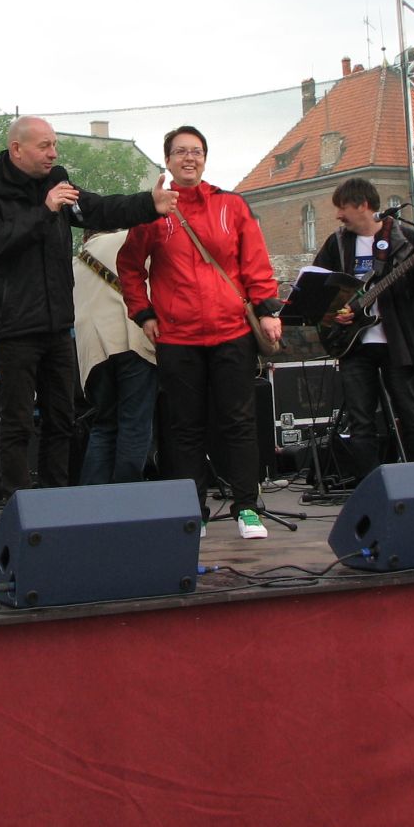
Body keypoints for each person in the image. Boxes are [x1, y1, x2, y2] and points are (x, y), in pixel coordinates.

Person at [0, 115, 176, 499]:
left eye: (55, 145)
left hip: (58, 324)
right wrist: (44, 211)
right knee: (17, 421)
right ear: (17, 149)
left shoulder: (56, 181)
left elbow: (98, 209)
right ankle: (18, 503)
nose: (53, 153)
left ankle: (57, 499)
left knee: (62, 418)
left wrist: (149, 203)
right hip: (14, 326)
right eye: (45, 146)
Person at [118, 125, 282, 539]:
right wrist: (143, 313)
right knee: (184, 429)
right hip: (178, 338)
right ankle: (195, 511)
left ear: (205, 159)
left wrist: (266, 309)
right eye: (180, 151)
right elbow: (130, 267)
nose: (189, 158)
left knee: (239, 423)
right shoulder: (154, 211)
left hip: (231, 332)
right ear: (168, 160)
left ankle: (247, 508)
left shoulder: (231, 205)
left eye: (196, 151)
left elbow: (255, 262)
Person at [311, 176, 414, 477]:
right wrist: (333, 314)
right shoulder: (337, 243)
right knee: (361, 422)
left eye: (342, 207)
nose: (338, 215)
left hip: (398, 343)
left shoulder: (405, 238)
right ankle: (370, 487)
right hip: (354, 345)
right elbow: (318, 286)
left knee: (411, 416)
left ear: (362, 205)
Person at [74, 229, 158, 485]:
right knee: (134, 423)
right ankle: (127, 495)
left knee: (104, 425)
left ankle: (93, 499)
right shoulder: (126, 239)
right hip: (130, 341)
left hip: (94, 353)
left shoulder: (75, 262)